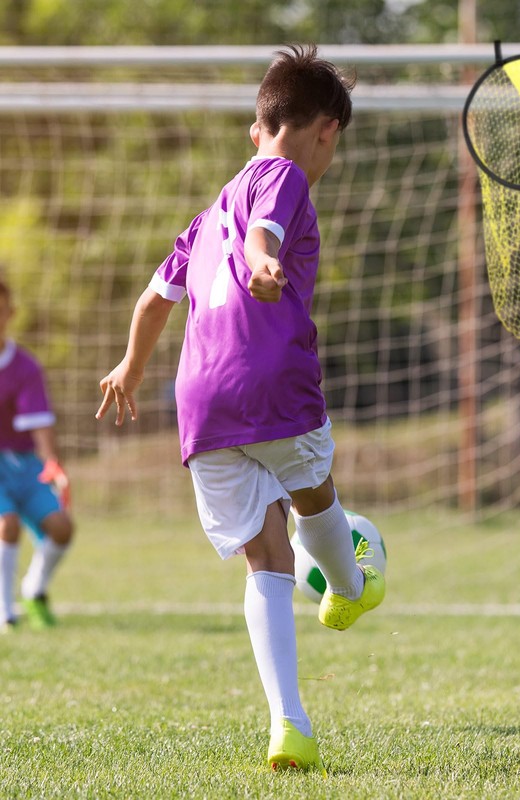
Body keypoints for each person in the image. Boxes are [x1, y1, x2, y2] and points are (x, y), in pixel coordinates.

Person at [96, 44, 385, 776]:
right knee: (321, 502)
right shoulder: (285, 175)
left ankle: (290, 725)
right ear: (326, 130)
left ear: (257, 125)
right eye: (334, 145)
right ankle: (351, 582)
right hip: (274, 383)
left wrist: (130, 367)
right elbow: (267, 233)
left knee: (265, 556)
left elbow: (155, 298)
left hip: (202, 403)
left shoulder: (205, 214)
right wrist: (262, 262)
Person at [0, 279, 74, 633]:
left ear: (10, 313)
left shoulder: (25, 368)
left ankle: (34, 589)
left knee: (62, 527)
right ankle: (5, 612)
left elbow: (40, 426)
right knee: (6, 525)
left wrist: (52, 464)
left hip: (25, 464)